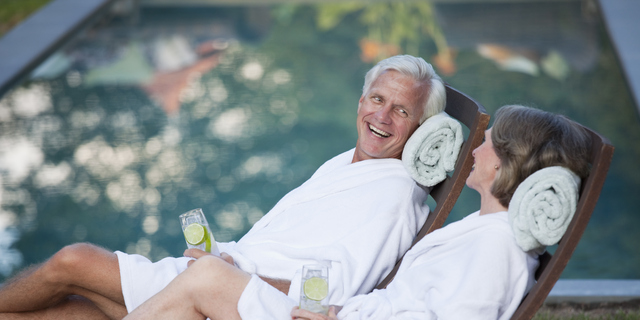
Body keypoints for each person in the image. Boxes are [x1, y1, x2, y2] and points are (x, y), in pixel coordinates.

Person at [0, 54, 446, 319]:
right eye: (377, 99)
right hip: (226, 271)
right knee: (80, 307)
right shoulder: (350, 164)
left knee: (72, 261)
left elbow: (331, 294)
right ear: (361, 99)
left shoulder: (393, 196)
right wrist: (226, 257)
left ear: (421, 128)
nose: (381, 118)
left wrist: (234, 272)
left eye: (401, 111)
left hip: (245, 299)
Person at [122, 104, 591, 320]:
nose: (473, 150)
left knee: (206, 280)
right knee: (88, 307)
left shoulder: (497, 249)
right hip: (335, 315)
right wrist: (334, 310)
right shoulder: (482, 229)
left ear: (507, 162)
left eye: (486, 144)